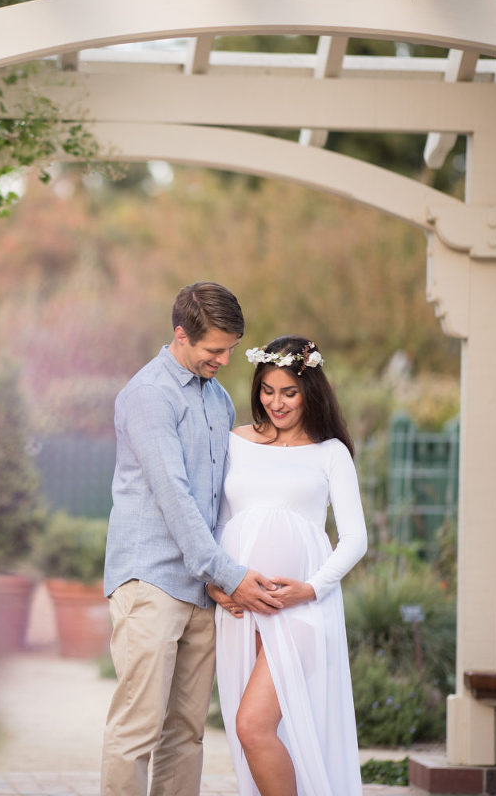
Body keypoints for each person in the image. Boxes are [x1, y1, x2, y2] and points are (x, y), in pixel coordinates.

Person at [101, 282, 283, 796]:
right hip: (151, 582)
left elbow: (218, 500)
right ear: (181, 336)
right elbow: (174, 498)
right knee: (138, 729)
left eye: (229, 348)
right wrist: (229, 574)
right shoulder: (148, 396)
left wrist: (220, 580)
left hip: (202, 589)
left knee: (187, 734)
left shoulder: (219, 401)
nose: (225, 359)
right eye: (214, 350)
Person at [208, 335, 368, 796]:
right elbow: (219, 523)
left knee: (252, 726)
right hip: (241, 609)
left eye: (289, 393)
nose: (275, 403)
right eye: (267, 390)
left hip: (298, 613)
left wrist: (312, 589)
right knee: (263, 736)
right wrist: (220, 585)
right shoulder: (236, 441)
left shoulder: (329, 453)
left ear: (310, 392)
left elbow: (355, 538)